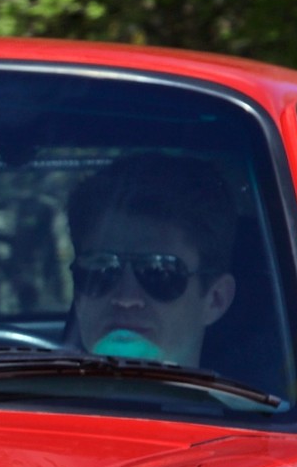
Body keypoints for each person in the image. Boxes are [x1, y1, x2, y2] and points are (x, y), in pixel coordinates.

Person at [65, 152, 244, 372]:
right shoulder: (26, 401)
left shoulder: (252, 407)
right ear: (78, 293)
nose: (126, 299)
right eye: (102, 269)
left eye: (159, 272)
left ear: (216, 299)